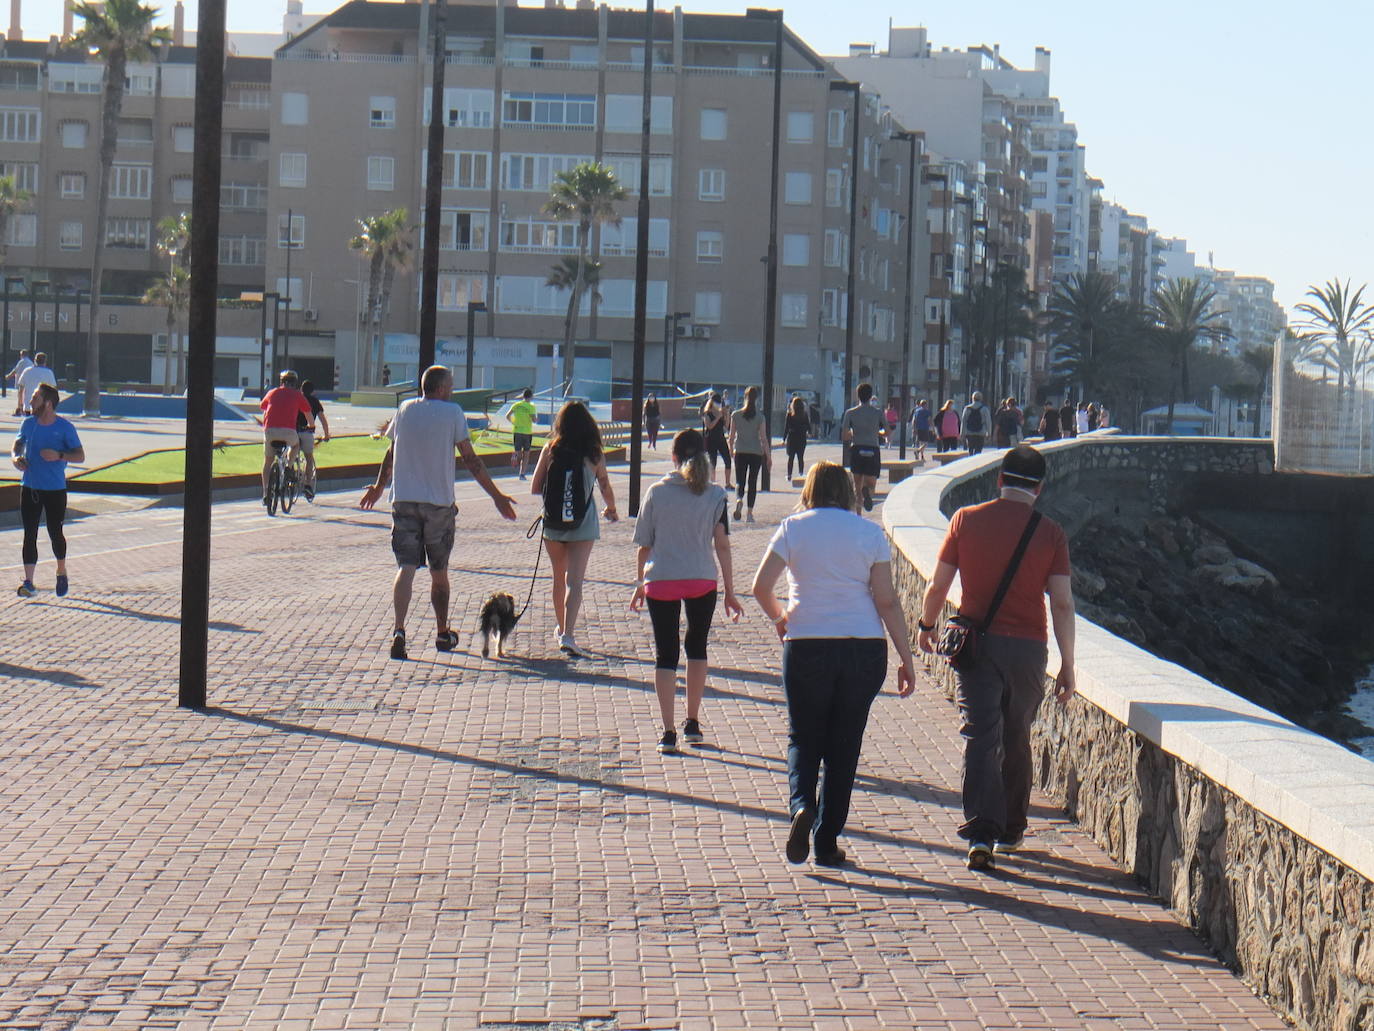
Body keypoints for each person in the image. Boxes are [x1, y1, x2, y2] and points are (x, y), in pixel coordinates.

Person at [914, 445, 1076, 872]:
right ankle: (1011, 829)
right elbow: (1061, 604)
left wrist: (926, 626)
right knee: (1018, 734)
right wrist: (1068, 664)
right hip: (1028, 650)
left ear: (1000, 480)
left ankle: (980, 831)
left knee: (982, 736)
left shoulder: (966, 520)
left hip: (977, 645)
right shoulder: (1051, 533)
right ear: (1039, 488)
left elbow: (937, 586)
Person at [751, 461, 916, 868]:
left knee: (803, 737)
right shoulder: (869, 533)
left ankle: (801, 805)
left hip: (807, 642)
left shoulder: (793, 528)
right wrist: (905, 658)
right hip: (863, 647)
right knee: (844, 747)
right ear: (846, 491)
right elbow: (887, 600)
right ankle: (826, 841)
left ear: (809, 490)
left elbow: (760, 587)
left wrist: (779, 618)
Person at [360, 364, 518, 659]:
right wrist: (496, 496)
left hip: (404, 499)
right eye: (452, 385)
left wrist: (378, 487)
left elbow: (391, 453)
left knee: (405, 568)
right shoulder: (452, 413)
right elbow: (471, 460)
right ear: (442, 388)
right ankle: (442, 632)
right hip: (439, 504)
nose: (453, 390)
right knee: (438, 572)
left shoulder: (405, 409)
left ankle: (398, 630)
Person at [630, 428, 743, 753]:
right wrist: (730, 592)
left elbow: (644, 546)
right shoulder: (715, 495)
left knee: (666, 654)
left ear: (674, 457)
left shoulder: (656, 492)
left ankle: (668, 732)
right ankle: (692, 721)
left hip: (661, 578)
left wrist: (640, 584)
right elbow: (721, 544)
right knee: (697, 646)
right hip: (701, 578)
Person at [530, 400, 618, 658]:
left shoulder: (551, 448)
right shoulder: (594, 453)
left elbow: (535, 487)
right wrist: (611, 509)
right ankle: (568, 633)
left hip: (553, 524)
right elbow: (604, 487)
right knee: (575, 581)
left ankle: (560, 628)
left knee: (558, 577)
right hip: (583, 523)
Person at [11, 382, 83, 599]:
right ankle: (29, 582)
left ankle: (61, 571)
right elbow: (17, 445)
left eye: (35, 398)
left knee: (55, 532)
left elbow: (80, 456)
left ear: (48, 404)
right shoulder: (28, 424)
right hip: (30, 486)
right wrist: (17, 459)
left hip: (55, 489)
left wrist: (59, 455)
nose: (31, 402)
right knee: (29, 534)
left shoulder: (64, 428)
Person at [259, 370, 312, 506]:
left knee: (267, 462)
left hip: (269, 431)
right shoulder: (297, 395)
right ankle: (288, 466)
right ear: (295, 383)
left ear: (281, 381)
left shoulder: (272, 392)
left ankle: (265, 493)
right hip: (289, 431)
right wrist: (311, 426)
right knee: (295, 445)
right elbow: (308, 413)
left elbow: (263, 407)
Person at [840, 382, 885, 513]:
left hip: (857, 449)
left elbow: (844, 436)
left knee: (857, 486)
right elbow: (887, 431)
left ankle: (858, 516)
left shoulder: (850, 413)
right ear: (871, 396)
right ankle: (869, 494)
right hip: (872, 449)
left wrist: (854, 433)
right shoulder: (878, 413)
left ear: (857, 396)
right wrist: (878, 432)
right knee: (871, 484)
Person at [728, 385, 770, 523]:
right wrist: (768, 456)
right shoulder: (760, 417)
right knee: (752, 482)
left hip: (740, 451)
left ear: (744, 397)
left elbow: (731, 436)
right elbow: (763, 438)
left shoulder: (735, 415)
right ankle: (750, 513)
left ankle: (739, 499)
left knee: (740, 480)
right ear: (756, 399)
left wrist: (730, 449)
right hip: (755, 453)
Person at [295, 379, 331, 501]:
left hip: (292, 432)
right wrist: (326, 435)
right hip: (307, 433)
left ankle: (288, 472)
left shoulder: (296, 399)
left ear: (301, 389)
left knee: (290, 453)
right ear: (313, 391)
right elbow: (323, 420)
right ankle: (308, 485)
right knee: (309, 459)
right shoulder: (315, 402)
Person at [701, 392, 734, 489]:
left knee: (727, 460)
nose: (718, 404)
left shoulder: (720, 412)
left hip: (721, 438)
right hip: (711, 439)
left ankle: (727, 483)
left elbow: (727, 425)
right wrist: (718, 417)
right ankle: (712, 483)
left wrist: (726, 414)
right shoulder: (707, 413)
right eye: (717, 402)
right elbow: (709, 426)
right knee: (712, 461)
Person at [16, 353, 57, 417]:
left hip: (28, 406)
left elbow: (20, 390)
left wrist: (20, 405)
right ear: (45, 361)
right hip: (43, 407)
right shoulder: (49, 373)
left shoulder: (27, 371)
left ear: (35, 360)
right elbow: (54, 391)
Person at [510, 387, 538, 479]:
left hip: (517, 431)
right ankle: (522, 473)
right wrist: (536, 419)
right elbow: (534, 420)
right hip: (527, 432)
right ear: (531, 396)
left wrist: (514, 422)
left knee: (518, 451)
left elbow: (507, 416)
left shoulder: (516, 405)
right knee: (526, 454)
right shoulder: (531, 406)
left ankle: (515, 456)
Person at [783, 395, 811, 479]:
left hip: (792, 437)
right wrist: (809, 432)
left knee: (791, 457)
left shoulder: (790, 414)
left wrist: (784, 438)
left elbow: (786, 427)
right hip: (802, 438)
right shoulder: (804, 415)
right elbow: (808, 426)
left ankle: (789, 475)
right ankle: (801, 473)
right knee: (800, 457)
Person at [8, 349, 33, 416]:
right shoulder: (31, 362)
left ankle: (19, 410)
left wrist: (8, 376)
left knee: (20, 395)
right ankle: (25, 409)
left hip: (21, 382)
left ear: (22, 355)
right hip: (28, 382)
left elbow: (15, 370)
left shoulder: (21, 362)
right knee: (26, 396)